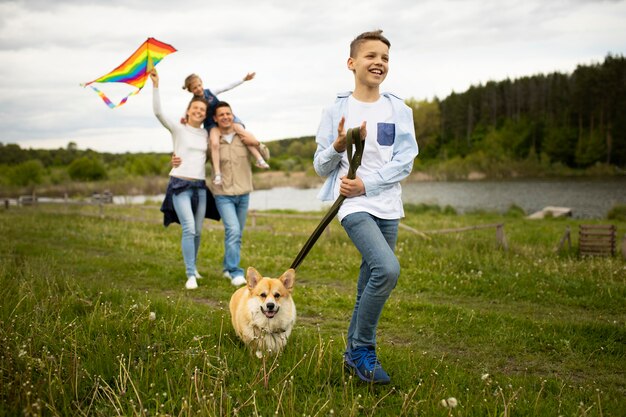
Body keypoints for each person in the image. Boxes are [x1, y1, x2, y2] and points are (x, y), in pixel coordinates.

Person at [313, 30, 419, 384]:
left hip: (388, 205)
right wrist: (338, 147)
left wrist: (368, 184)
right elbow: (320, 166)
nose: (379, 63)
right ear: (352, 63)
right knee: (387, 270)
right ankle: (363, 349)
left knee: (368, 282)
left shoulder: (398, 109)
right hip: (352, 205)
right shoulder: (336, 109)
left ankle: (350, 358)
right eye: (371, 56)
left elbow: (405, 162)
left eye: (385, 58)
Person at [173, 101, 268, 287]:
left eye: (228, 113)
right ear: (215, 118)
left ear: (232, 115)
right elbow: (195, 157)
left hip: (244, 192)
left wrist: (257, 143)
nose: (225, 117)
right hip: (223, 194)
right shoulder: (212, 141)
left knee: (237, 233)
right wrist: (176, 158)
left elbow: (265, 155)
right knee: (232, 230)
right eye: (221, 114)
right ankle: (235, 272)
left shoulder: (244, 137)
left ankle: (227, 268)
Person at [151, 69, 214, 291]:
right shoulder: (178, 128)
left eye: (202, 110)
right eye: (195, 108)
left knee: (197, 230)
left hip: (200, 186)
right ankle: (190, 275)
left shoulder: (206, 134)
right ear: (188, 111)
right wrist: (156, 85)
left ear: (205, 114)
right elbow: (159, 113)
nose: (198, 111)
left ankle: (194, 266)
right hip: (180, 185)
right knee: (188, 228)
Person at [182, 73, 269, 186]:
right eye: (195, 88)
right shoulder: (194, 102)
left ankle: (259, 159)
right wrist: (184, 120)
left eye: (199, 85)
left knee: (243, 133)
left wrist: (243, 79)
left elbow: (227, 86)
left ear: (202, 83)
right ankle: (218, 174)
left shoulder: (211, 92)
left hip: (224, 117)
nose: (198, 89)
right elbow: (187, 113)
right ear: (190, 90)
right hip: (211, 124)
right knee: (214, 143)